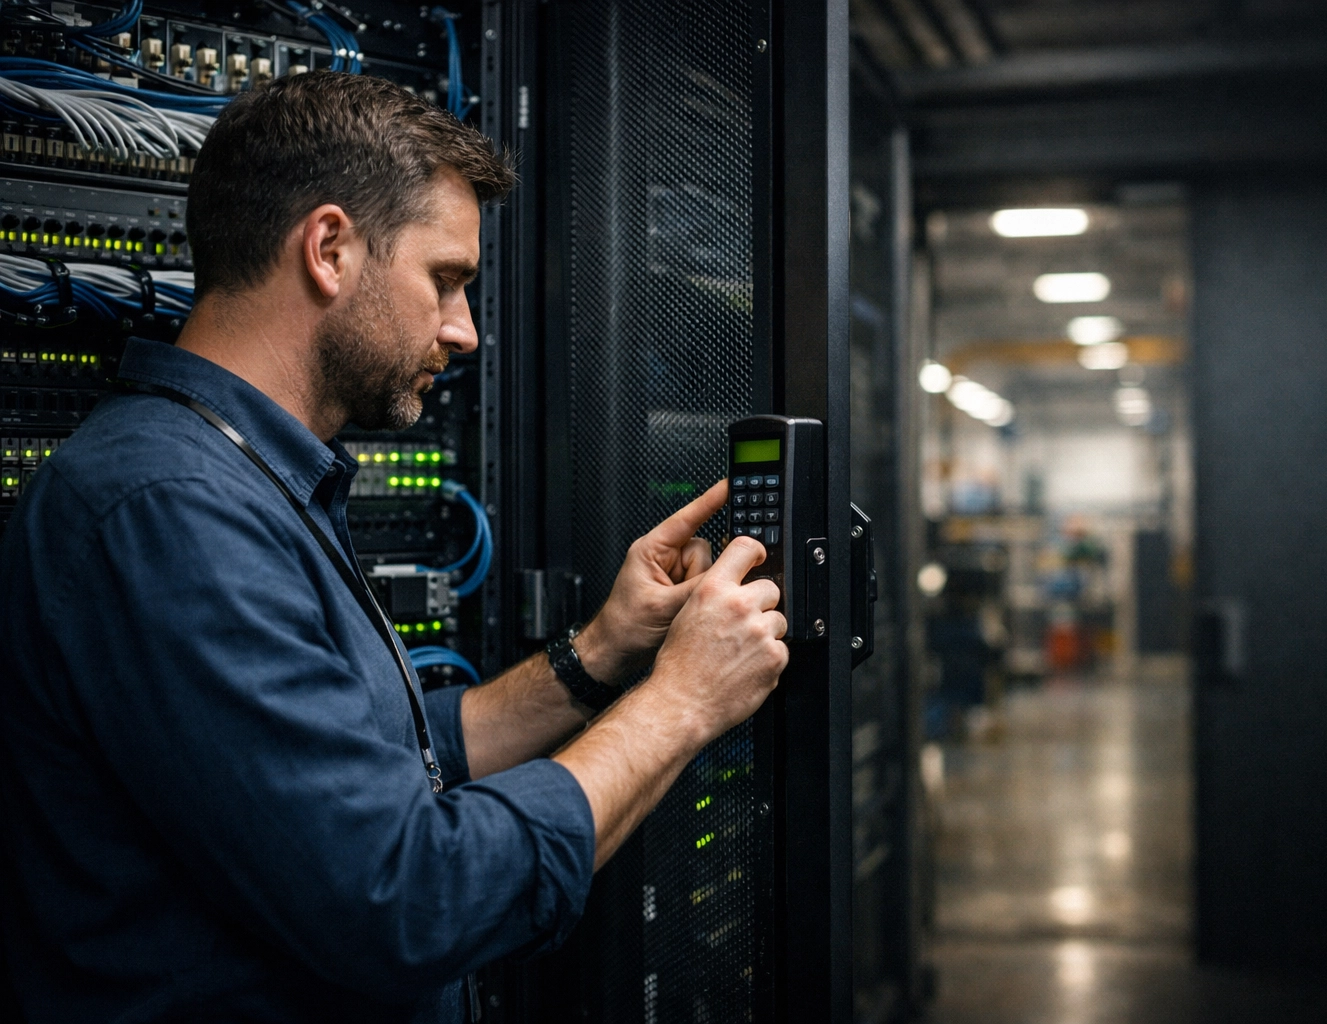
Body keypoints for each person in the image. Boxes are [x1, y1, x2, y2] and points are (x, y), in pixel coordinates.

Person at [0, 72, 787, 1022]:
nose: (466, 331)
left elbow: (389, 763)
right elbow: (409, 897)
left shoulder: (243, 479)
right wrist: (681, 704)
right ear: (329, 248)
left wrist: (599, 657)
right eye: (445, 280)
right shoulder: (166, 510)